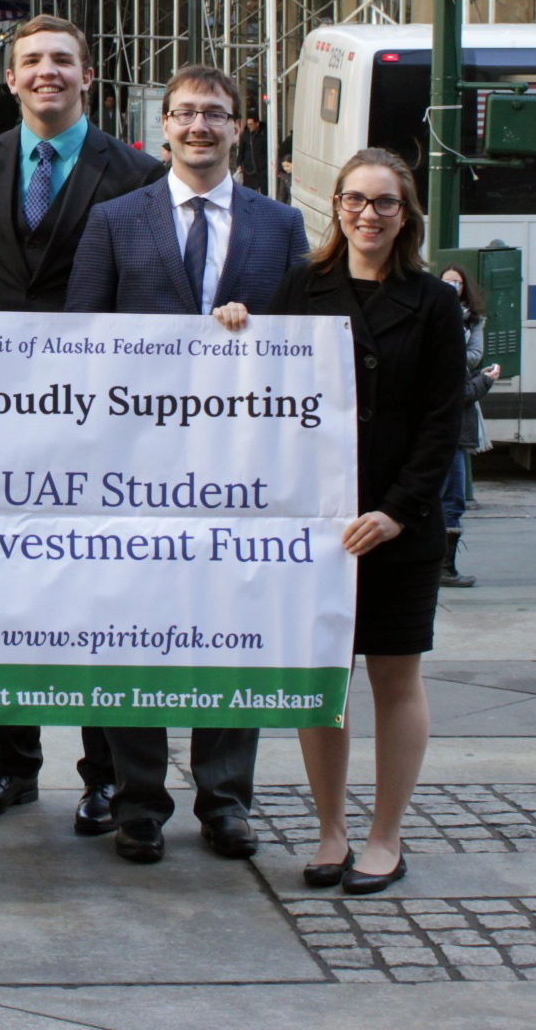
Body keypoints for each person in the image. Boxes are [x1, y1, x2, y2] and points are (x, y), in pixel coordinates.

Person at [67, 63, 308, 867]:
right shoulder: (113, 219)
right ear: (160, 126)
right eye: (184, 113)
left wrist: (250, 333)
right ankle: (139, 803)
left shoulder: (280, 227)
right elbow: (82, 345)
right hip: (133, 470)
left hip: (240, 469)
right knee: (132, 630)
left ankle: (226, 799)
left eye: (215, 113)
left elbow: (298, 349)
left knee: (233, 628)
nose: (198, 126)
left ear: (241, 127)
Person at [0, 14, 163, 833]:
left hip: (102, 422)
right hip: (0, 417)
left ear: (87, 75)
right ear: (9, 79)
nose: (47, 73)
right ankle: (11, 767)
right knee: (5, 589)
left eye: (62, 61)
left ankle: (104, 775)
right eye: (32, 62)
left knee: (98, 595)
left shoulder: (140, 172)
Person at [270, 147, 463, 895]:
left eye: (384, 202)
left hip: (399, 526)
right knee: (325, 681)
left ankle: (385, 835)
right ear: (337, 207)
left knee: (394, 676)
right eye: (355, 199)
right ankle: (330, 832)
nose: (367, 214)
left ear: (406, 212)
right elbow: (262, 385)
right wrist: (234, 322)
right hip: (320, 529)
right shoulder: (302, 287)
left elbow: (442, 422)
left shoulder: (435, 303)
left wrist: (398, 511)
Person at [438, 266, 498, 590]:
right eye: (445, 282)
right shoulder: (439, 335)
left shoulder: (468, 322)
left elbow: (470, 360)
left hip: (454, 431)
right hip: (449, 431)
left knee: (451, 499)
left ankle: (444, 567)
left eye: (456, 282)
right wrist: (486, 381)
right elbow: (456, 392)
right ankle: (442, 569)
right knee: (450, 499)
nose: (451, 287)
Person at [238, 111, 268, 193]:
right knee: (249, 192)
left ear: (257, 124)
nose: (249, 126)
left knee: (264, 191)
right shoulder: (246, 134)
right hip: (249, 168)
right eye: (248, 124)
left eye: (251, 124)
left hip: (262, 168)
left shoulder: (264, 133)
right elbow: (241, 150)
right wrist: (239, 164)